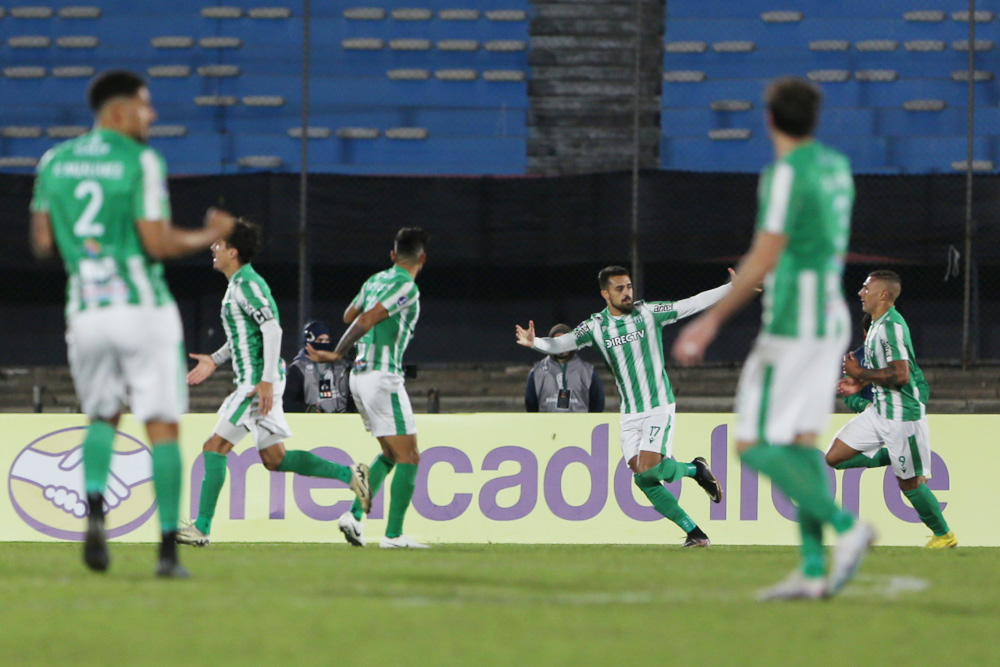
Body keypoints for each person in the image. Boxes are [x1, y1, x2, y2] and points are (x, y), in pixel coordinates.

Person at [673, 76, 875, 600]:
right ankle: (813, 571)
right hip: (830, 316)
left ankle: (845, 526)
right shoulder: (836, 168)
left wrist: (710, 321)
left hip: (792, 323)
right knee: (803, 444)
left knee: (749, 443)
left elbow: (765, 254)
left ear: (768, 119)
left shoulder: (784, 174)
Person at [29, 69, 235, 577]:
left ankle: (96, 512)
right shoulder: (140, 160)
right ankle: (167, 552)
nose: (153, 115)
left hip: (87, 309)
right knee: (162, 426)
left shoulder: (53, 162)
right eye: (145, 106)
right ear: (117, 111)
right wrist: (210, 232)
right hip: (143, 308)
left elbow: (42, 243)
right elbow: (158, 243)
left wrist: (86, 246)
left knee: (101, 417)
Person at [177, 219, 372, 546]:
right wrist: (216, 359)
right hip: (257, 380)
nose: (213, 248)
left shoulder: (248, 285)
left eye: (219, 244)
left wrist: (265, 381)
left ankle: (201, 528)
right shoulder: (238, 285)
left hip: (255, 383)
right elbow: (245, 336)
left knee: (214, 446)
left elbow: (273, 329)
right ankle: (350, 476)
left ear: (233, 251)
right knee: (275, 459)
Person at [515, 266, 726, 547]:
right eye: (619, 289)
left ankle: (694, 471)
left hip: (657, 405)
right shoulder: (597, 326)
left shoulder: (649, 313)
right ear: (605, 293)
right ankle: (695, 531)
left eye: (629, 287)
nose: (627, 293)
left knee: (650, 470)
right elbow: (563, 342)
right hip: (629, 414)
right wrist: (535, 342)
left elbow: (691, 303)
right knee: (643, 480)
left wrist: (732, 288)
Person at [308, 228, 430, 549]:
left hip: (359, 377)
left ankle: (353, 516)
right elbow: (365, 320)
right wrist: (338, 351)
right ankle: (393, 536)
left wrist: (371, 307)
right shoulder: (407, 286)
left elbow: (350, 312)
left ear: (392, 255)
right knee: (410, 457)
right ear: (422, 259)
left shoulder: (374, 280)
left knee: (390, 454)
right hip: (381, 375)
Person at [828, 271, 956, 548]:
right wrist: (858, 381)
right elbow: (883, 370)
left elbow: (901, 376)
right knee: (833, 458)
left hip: (902, 418)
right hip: (878, 412)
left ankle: (944, 535)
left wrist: (859, 371)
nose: (861, 293)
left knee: (909, 484)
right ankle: (893, 455)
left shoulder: (892, 327)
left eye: (866, 288)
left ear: (884, 294)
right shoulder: (876, 325)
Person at [525, 323, 605, 413]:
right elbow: (531, 405)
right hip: (547, 425)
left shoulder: (588, 371)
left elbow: (598, 405)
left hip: (579, 425)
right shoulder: (537, 371)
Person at [284, 319, 354, 414]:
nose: (324, 344)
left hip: (345, 421)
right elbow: (286, 402)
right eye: (320, 340)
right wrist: (307, 409)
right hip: (313, 423)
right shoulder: (298, 369)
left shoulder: (342, 365)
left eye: (327, 340)